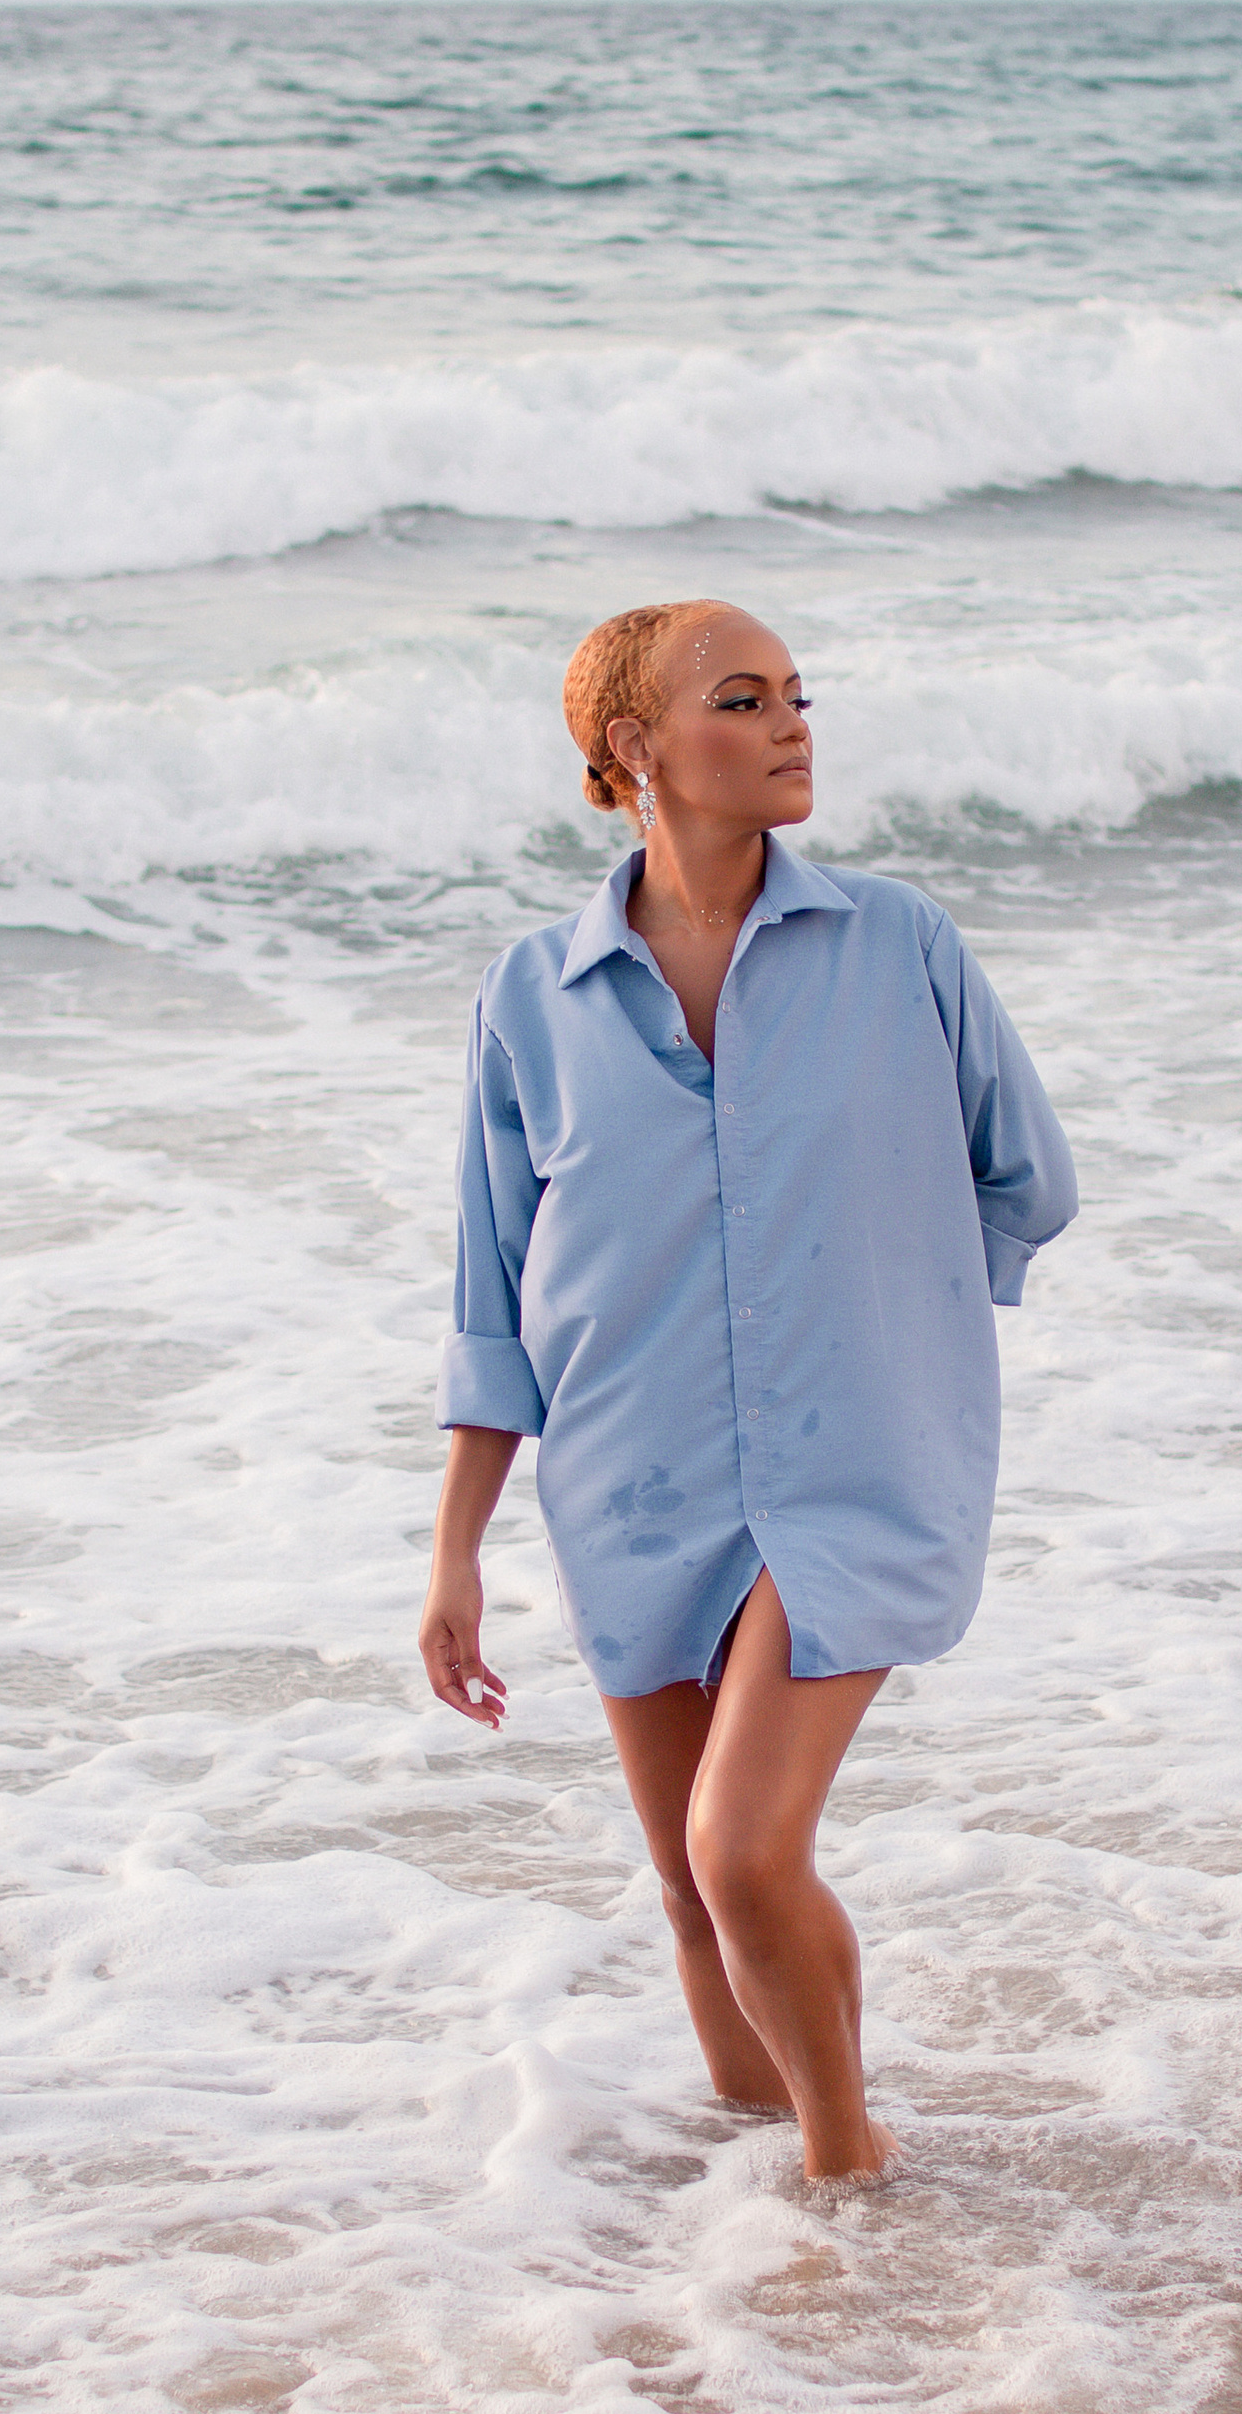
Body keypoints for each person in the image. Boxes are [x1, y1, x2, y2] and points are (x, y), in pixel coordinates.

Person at [418, 600, 1077, 2183]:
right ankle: (748, 2200)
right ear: (634, 747)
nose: (790, 724)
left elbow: (1026, 1182)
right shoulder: (534, 997)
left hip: (857, 1466)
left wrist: (891, 1322)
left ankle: (853, 2175)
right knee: (690, 1887)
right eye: (742, 699)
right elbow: (494, 1293)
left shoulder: (899, 947)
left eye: (797, 694)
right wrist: (454, 1554)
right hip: (629, 1475)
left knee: (742, 1848)